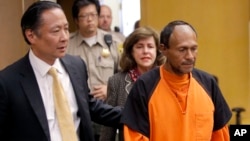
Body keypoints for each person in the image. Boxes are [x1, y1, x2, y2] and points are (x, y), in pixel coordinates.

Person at [0, 1, 122, 141]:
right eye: (56, 31)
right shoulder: (8, 82)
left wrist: (135, 115)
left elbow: (89, 106)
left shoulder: (76, 65)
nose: (64, 37)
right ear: (31, 35)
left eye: (66, 28)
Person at [121, 20, 232, 141]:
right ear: (163, 49)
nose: (190, 56)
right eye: (182, 49)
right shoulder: (145, 86)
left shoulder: (208, 83)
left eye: (194, 49)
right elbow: (135, 137)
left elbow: (220, 135)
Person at [67, 0, 122, 140]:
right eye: (84, 16)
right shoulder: (67, 44)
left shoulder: (114, 42)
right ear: (76, 20)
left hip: (107, 109)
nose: (90, 19)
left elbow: (126, 75)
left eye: (93, 14)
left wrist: (110, 87)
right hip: (78, 110)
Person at [99, 26, 166, 141]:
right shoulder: (116, 81)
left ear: (157, 51)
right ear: (131, 51)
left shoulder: (166, 79)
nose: (145, 51)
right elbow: (109, 126)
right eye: (139, 47)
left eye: (150, 46)